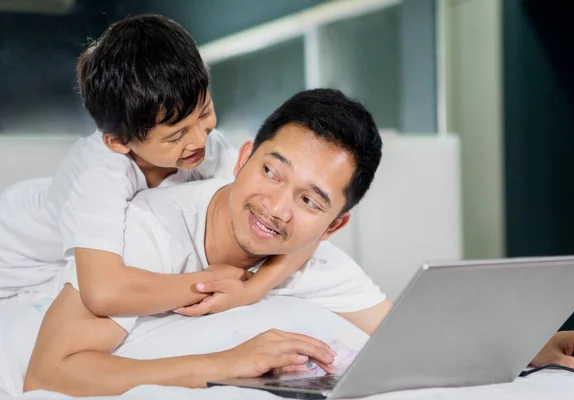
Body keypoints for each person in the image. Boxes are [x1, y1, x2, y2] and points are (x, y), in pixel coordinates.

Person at [24, 88, 393, 396]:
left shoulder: (319, 263)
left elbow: (411, 341)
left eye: (309, 201)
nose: (277, 209)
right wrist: (225, 365)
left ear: (333, 226)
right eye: (270, 172)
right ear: (243, 157)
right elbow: (48, 374)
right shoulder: (146, 231)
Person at [0, 14, 318, 318]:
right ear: (118, 141)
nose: (198, 141)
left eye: (205, 112)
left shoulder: (210, 147)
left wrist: (252, 290)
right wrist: (207, 282)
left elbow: (310, 226)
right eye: (176, 135)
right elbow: (102, 293)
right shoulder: (97, 172)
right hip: (14, 255)